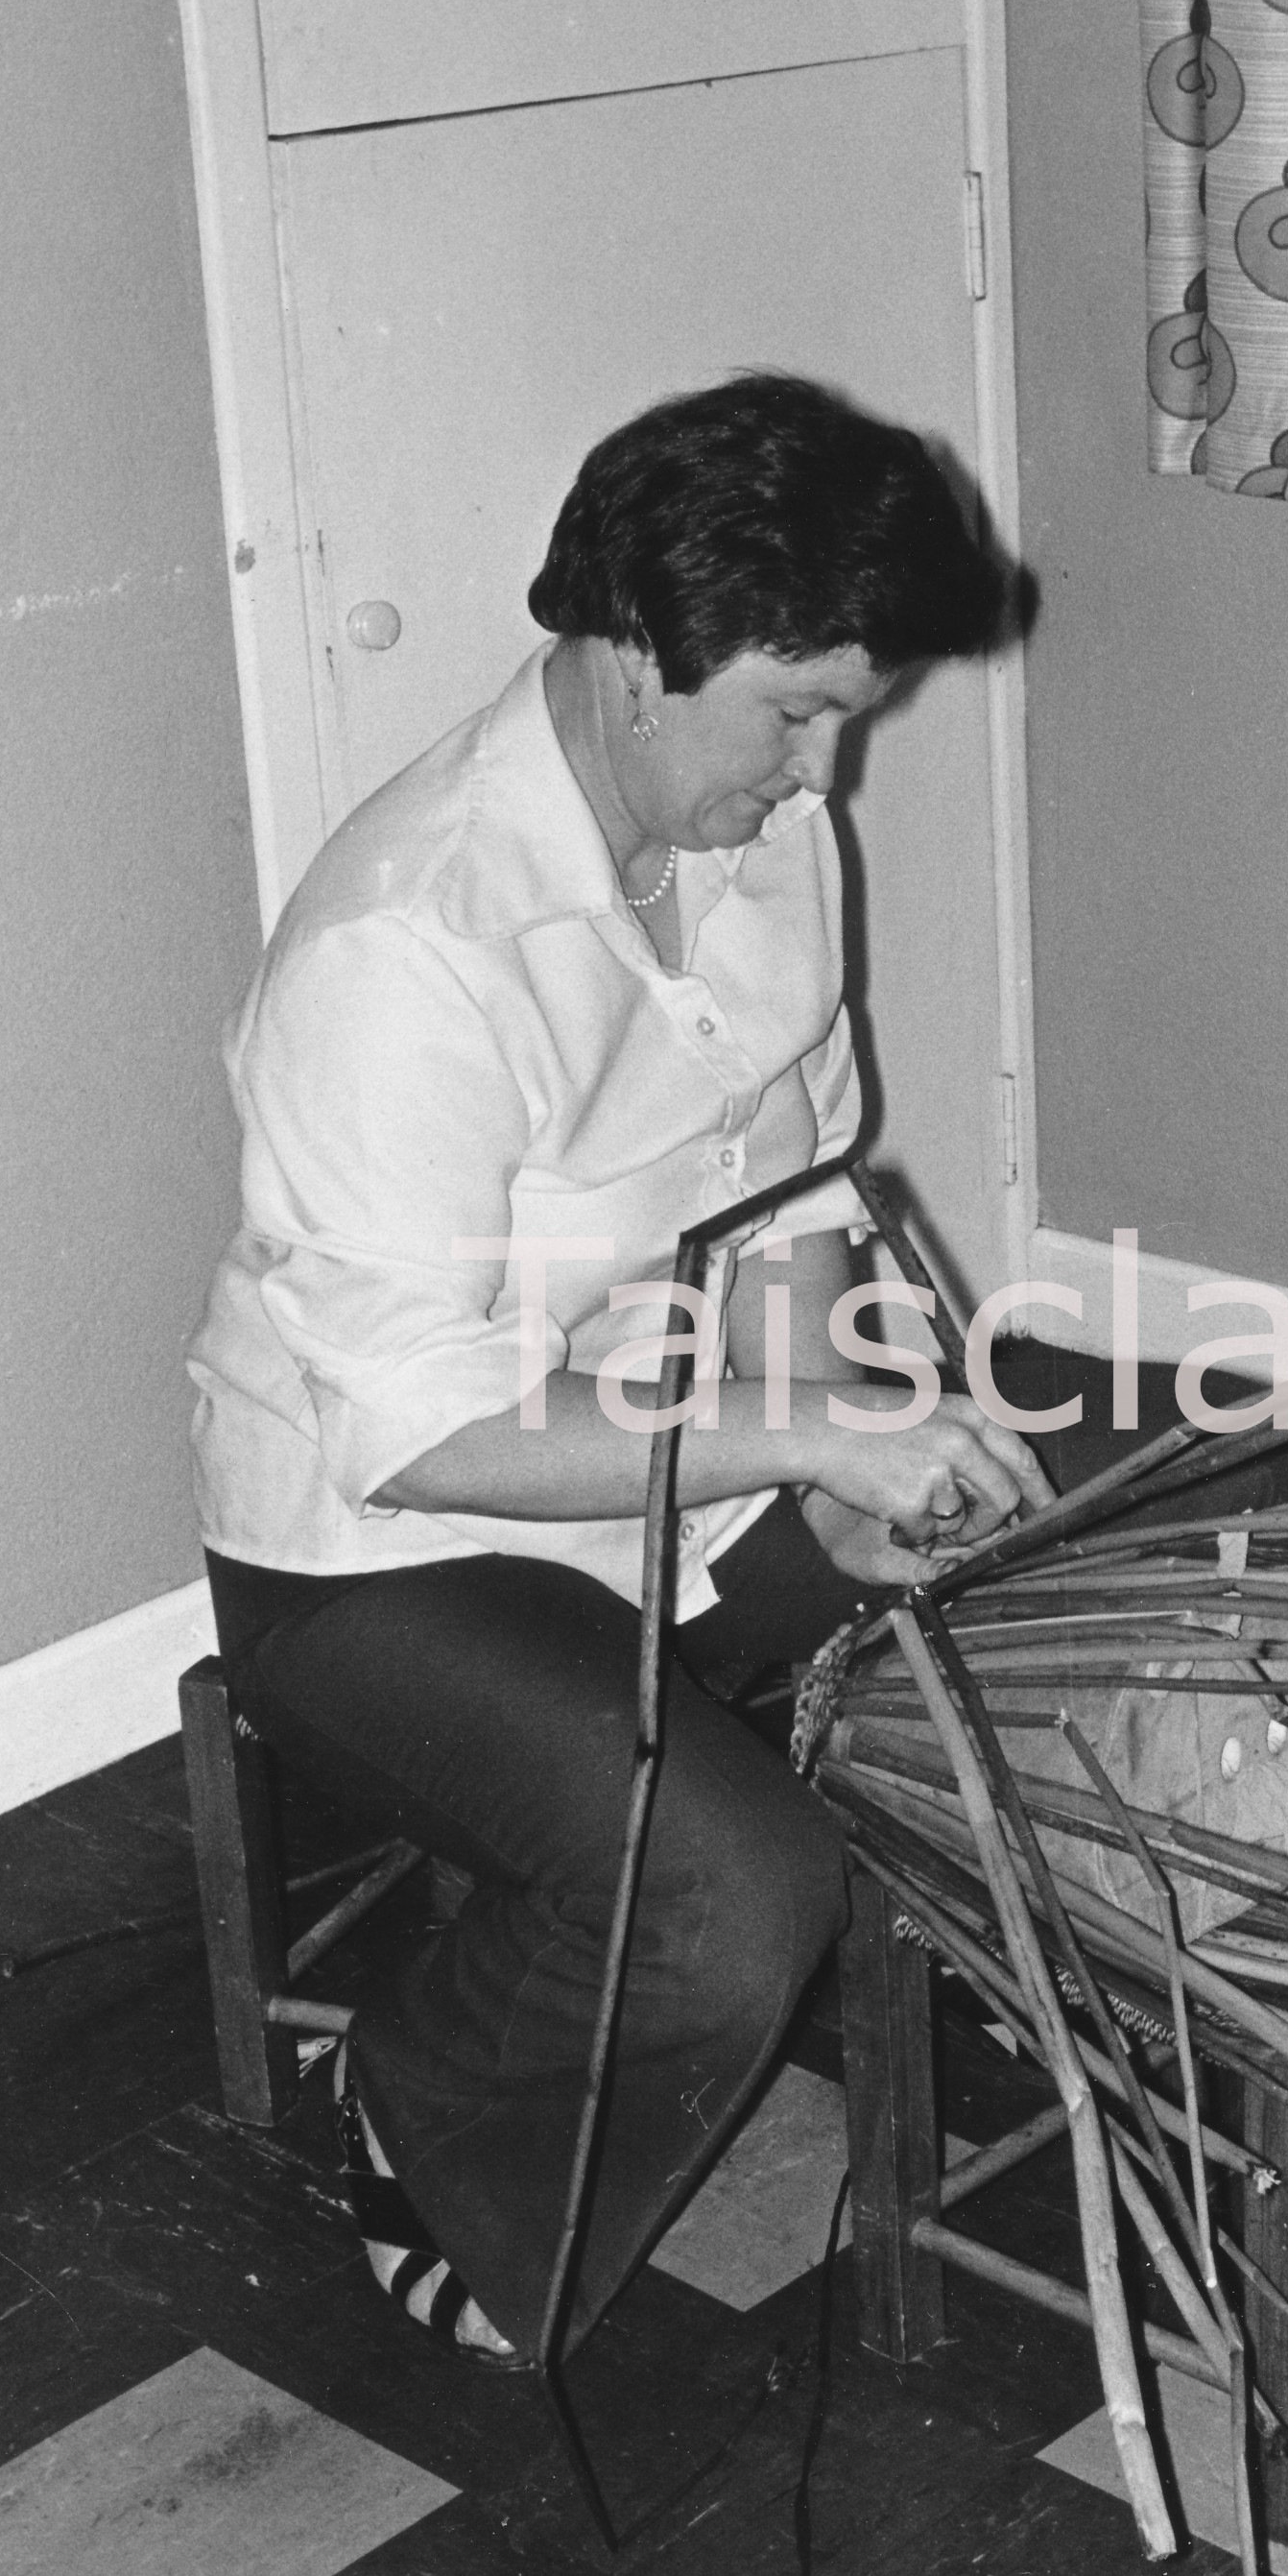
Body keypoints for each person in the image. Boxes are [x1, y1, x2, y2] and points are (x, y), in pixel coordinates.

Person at [188, 373, 1053, 2366]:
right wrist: (817, 1431)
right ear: (627, 653)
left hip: (679, 1465)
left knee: (1033, 1511)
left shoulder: (757, 838)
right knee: (741, 1896)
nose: (822, 765)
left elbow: (785, 1199)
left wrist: (841, 1454)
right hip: (384, 1554)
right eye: (796, 709)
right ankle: (413, 2097)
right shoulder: (403, 947)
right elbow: (422, 1433)